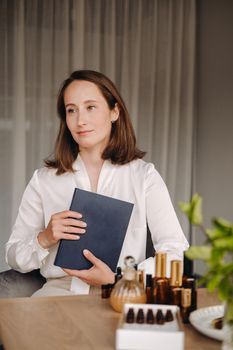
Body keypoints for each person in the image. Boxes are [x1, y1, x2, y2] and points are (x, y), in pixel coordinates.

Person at [6, 70, 189, 297]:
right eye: (71, 110)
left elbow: (174, 251)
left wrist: (120, 279)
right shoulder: (44, 180)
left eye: (90, 107)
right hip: (58, 294)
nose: (80, 120)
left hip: (123, 294)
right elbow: (14, 256)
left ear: (114, 111)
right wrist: (45, 238)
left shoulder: (144, 176)